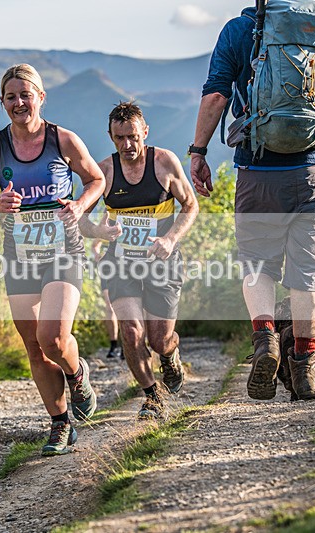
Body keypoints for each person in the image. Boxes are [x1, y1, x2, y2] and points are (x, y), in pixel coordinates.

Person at [190, 5, 315, 401]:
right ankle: (305, 371)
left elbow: (216, 95)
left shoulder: (241, 28)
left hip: (257, 170)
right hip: (313, 170)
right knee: (309, 271)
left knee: (257, 263)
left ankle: (266, 340)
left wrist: (198, 151)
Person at [0, 64, 106, 455]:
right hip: (19, 256)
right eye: (10, 97)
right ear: (2, 102)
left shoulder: (62, 139)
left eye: (25, 95)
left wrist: (79, 205)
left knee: (53, 337)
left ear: (40, 98)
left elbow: (96, 179)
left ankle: (77, 375)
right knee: (34, 347)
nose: (19, 103)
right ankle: (60, 424)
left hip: (63, 250)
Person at [80, 102, 198, 419]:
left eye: (133, 136)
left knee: (159, 340)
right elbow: (81, 219)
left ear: (145, 132)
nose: (128, 145)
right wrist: (99, 232)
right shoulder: (104, 172)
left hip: (162, 261)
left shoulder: (164, 162)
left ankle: (170, 355)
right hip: (121, 263)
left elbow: (190, 205)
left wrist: (170, 239)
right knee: (131, 334)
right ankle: (153, 396)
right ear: (111, 137)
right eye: (120, 138)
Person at [89, 238, 123, 359]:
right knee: (110, 307)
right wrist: (97, 254)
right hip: (108, 271)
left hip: (125, 268)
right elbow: (95, 244)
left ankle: (127, 344)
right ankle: (114, 345)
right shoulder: (108, 230)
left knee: (125, 307)